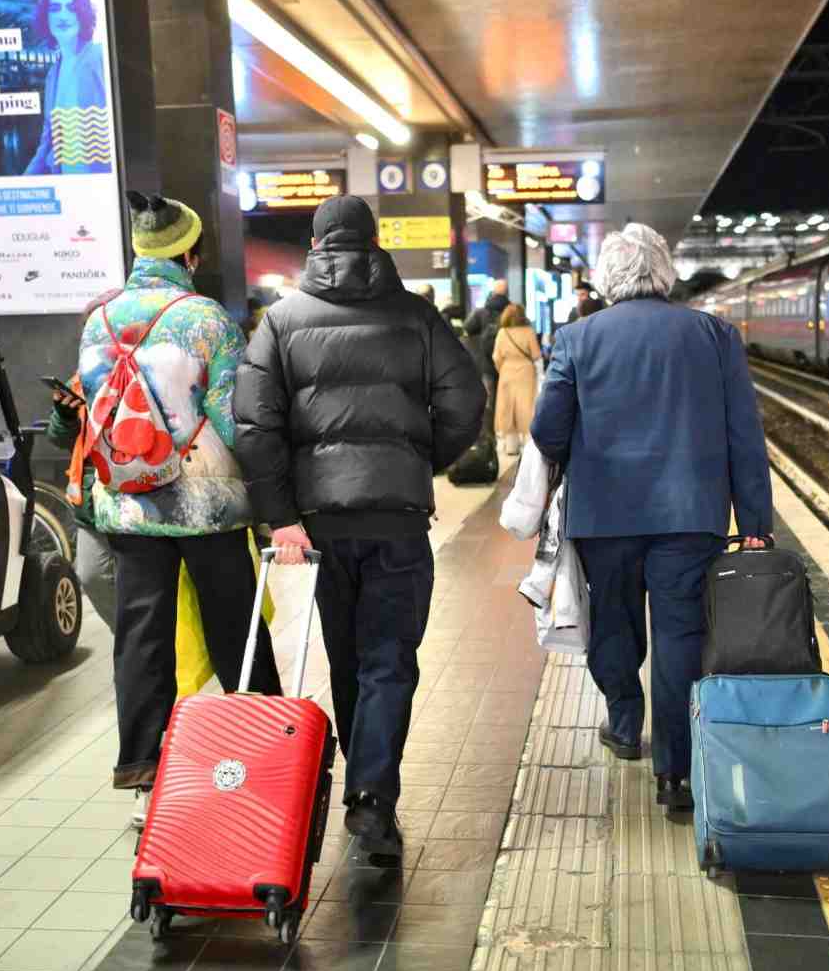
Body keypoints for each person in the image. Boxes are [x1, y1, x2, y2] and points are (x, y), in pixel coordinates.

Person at [233, 195, 482, 857]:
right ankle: (373, 798)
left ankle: (363, 785)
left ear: (316, 248)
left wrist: (282, 517)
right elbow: (465, 401)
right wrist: (418, 460)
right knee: (390, 658)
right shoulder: (416, 316)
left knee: (348, 655)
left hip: (321, 525)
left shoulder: (281, 324)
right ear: (374, 245)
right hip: (396, 519)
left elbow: (256, 426)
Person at [530, 223, 771, 813]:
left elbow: (546, 429)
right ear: (665, 272)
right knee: (681, 636)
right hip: (691, 517)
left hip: (604, 514)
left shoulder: (578, 337)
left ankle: (622, 719)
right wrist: (756, 519)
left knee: (612, 626)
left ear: (610, 277)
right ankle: (676, 771)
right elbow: (745, 434)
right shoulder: (714, 334)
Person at [79, 191, 282, 820]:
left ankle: (143, 765)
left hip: (130, 503)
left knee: (142, 631)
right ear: (190, 252)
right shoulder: (205, 318)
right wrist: (273, 494)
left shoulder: (100, 318)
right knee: (234, 624)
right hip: (206, 503)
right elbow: (230, 414)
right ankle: (263, 748)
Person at [46, 287, 123, 631]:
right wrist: (63, 413)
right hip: (90, 503)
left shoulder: (142, 374)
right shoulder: (80, 378)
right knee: (91, 576)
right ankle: (128, 641)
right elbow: (58, 438)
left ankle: (144, 652)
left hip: (133, 498)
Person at [25, 0, 111, 176]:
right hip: (68, 186)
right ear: (46, 18)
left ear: (82, 14)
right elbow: (47, 141)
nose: (63, 15)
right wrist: (21, 183)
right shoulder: (53, 74)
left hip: (101, 185)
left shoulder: (99, 57)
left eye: (71, 7)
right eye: (54, 8)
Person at [491, 303, 542, 456]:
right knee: (526, 406)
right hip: (526, 372)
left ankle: (511, 445)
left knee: (507, 407)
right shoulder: (528, 332)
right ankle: (527, 443)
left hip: (507, 372)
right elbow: (536, 355)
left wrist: (503, 369)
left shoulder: (502, 333)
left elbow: (496, 357)